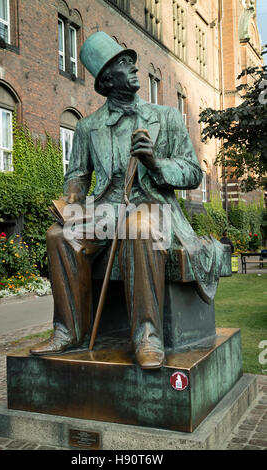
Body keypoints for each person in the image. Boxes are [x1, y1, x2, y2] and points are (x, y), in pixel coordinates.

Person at [30, 32, 225, 369]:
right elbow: (76, 173)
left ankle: (147, 337)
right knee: (58, 236)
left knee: (140, 225)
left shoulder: (166, 118)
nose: (134, 67)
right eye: (124, 63)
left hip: (154, 209)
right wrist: (73, 197)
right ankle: (69, 332)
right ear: (107, 79)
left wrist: (155, 163)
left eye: (131, 61)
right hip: (105, 211)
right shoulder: (88, 128)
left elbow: (193, 172)